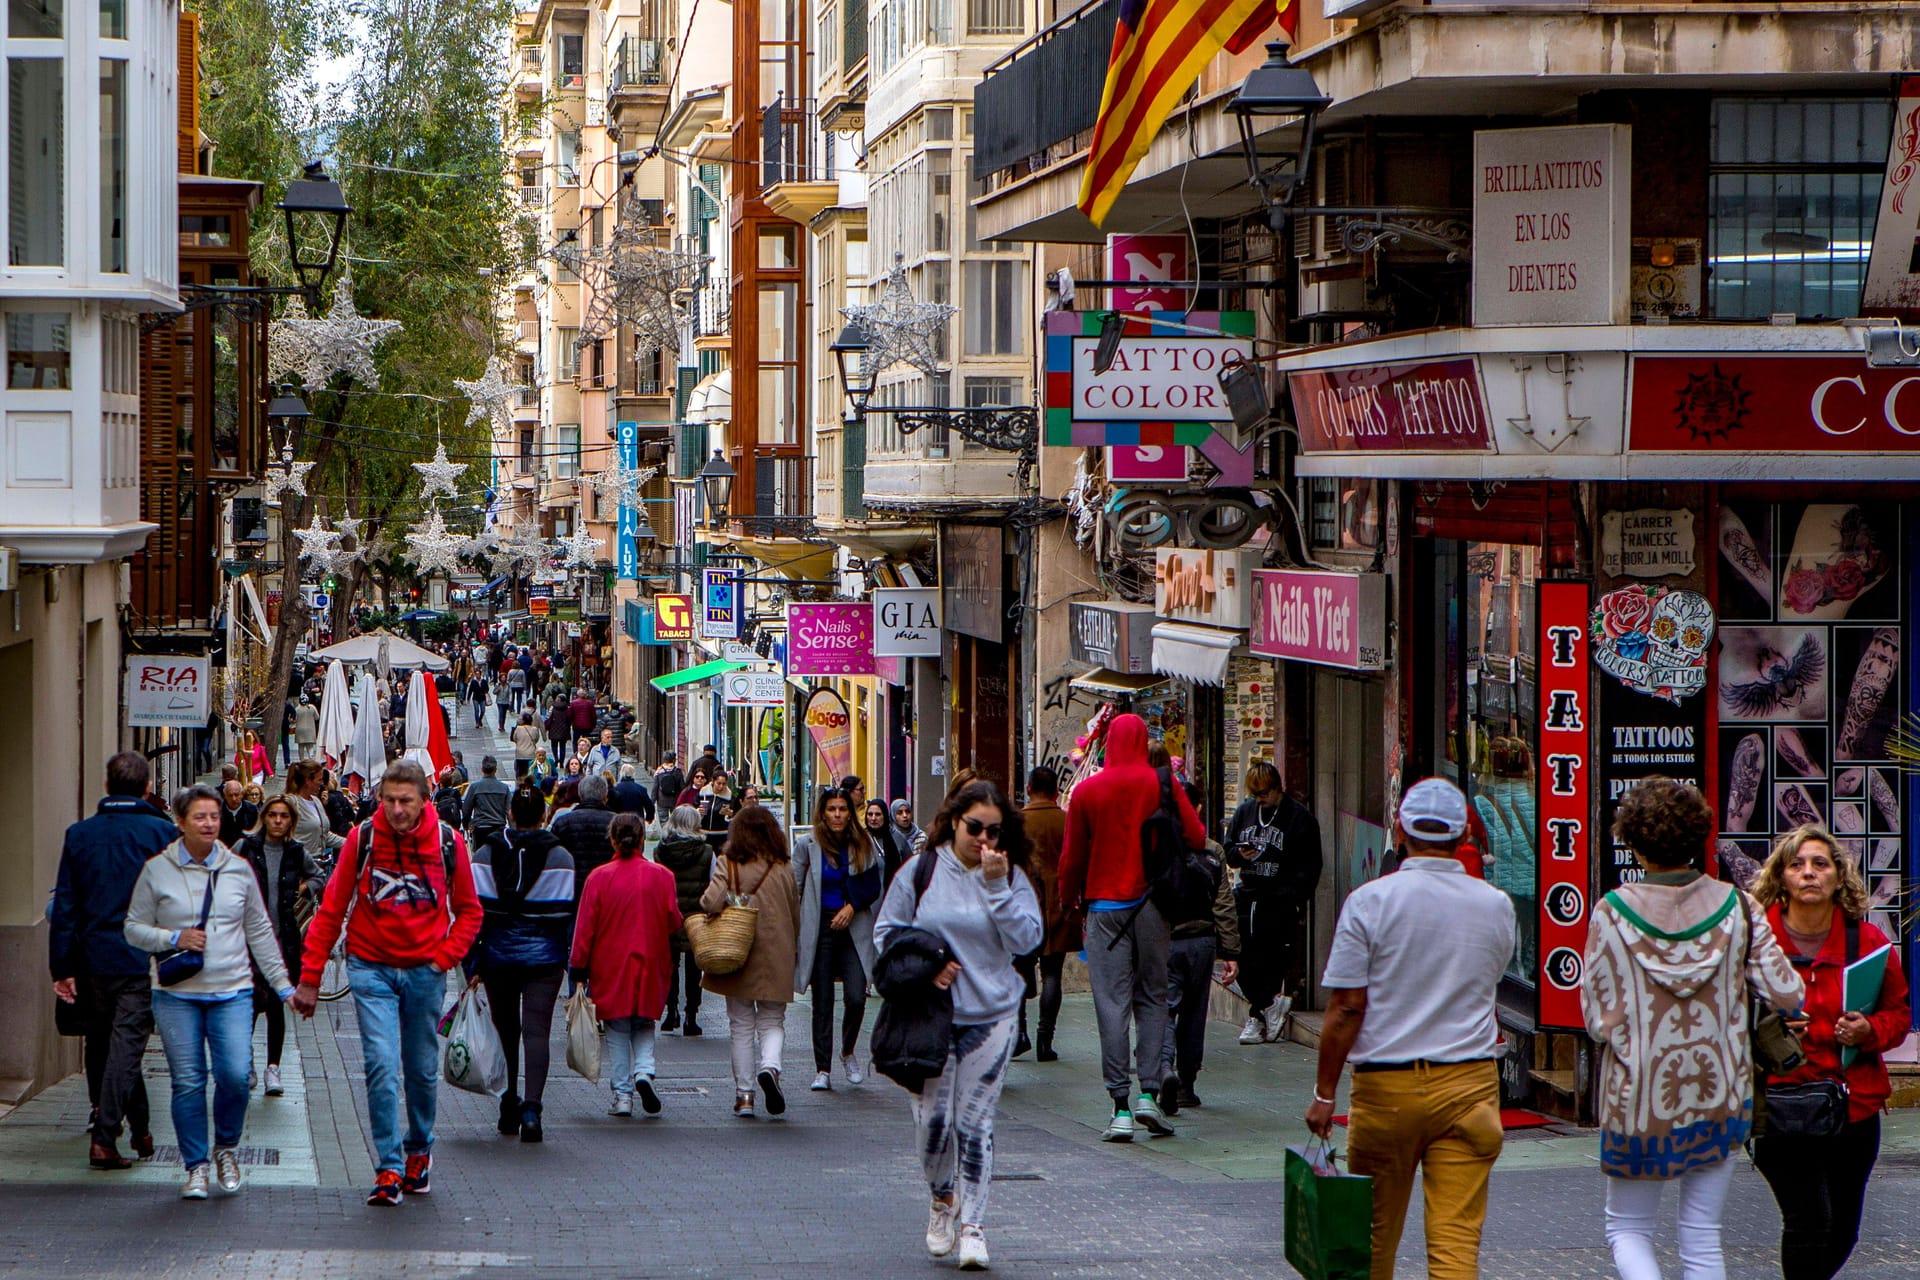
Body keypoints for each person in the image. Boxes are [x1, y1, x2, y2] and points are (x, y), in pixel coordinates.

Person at [1582, 777, 1804, 1280]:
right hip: (1720, 1090)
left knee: (1629, 1228)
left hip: (1639, 1097)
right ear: (1699, 836)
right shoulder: (1739, 908)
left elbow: (1597, 1020)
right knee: (1702, 1235)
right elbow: (1788, 992)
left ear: (1633, 842)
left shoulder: (1611, 914)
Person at [1305, 776, 1520, 1280]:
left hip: (1388, 1089)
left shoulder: (1369, 902)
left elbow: (1345, 1009)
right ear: (1466, 831)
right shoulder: (1496, 905)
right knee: (1455, 1247)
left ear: (1400, 830)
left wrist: (1324, 1092)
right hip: (1470, 1086)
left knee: (1372, 1239)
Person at [292, 761, 483, 1207]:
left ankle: (419, 1150)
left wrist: (443, 958)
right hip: (370, 965)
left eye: (406, 802)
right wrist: (310, 978)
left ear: (423, 801)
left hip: (424, 970)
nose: (396, 810)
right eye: (389, 801)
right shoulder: (363, 839)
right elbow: (332, 910)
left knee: (419, 1068)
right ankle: (389, 1166)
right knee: (380, 1064)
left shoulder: (447, 843)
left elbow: (470, 911)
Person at [873, 779, 1043, 1272]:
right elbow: (887, 932)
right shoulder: (922, 869)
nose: (984, 839)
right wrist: (930, 962)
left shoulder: (1008, 876)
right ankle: (942, 1197)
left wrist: (996, 887)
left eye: (994, 830)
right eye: (975, 828)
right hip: (930, 1016)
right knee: (933, 1125)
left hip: (992, 1015)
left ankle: (974, 1227)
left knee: (975, 1123)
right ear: (953, 822)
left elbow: (1027, 940)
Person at [1752, 825, 1908, 1280]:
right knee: (1808, 1221)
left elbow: (1898, 1016)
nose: (1809, 873)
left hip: (1851, 1108)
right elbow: (1721, 1016)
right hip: (1780, 1104)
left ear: (1839, 877)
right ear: (1781, 877)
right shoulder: (1755, 945)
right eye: (1797, 864)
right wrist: (1768, 1031)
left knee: (1842, 1229)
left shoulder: (1870, 944)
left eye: (1820, 864)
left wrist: (1869, 1029)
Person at [125, 785, 293, 1199]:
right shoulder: (157, 870)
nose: (209, 824)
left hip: (233, 990)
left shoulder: (237, 869)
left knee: (235, 1076)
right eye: (199, 817)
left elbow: (258, 930)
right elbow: (132, 927)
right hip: (176, 994)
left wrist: (283, 985)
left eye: (214, 817)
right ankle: (196, 1165)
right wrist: (174, 936)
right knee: (188, 1082)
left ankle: (227, 1149)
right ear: (180, 822)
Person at [1057, 712, 1205, 1141]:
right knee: (1153, 998)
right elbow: (1195, 837)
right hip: (1153, 907)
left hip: (1104, 910)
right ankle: (1150, 1094)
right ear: (1144, 741)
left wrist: (1070, 901)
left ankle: (1119, 1106)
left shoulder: (1087, 791)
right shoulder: (1163, 784)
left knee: (1111, 1003)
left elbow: (1072, 859)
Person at [49, 751, 177, 1170]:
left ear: (106, 786)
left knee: (107, 1044)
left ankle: (138, 1126)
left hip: (92, 959)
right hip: (141, 959)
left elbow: (66, 904)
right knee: (125, 1047)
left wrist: (62, 967)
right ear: (146, 788)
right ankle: (105, 1138)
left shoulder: (80, 835)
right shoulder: (161, 834)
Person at [471, 784, 576, 1142]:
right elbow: (564, 913)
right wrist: (570, 961)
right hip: (544, 958)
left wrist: (472, 963)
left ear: (510, 814)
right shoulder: (560, 856)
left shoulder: (485, 854)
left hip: (497, 955)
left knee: (505, 1033)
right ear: (544, 816)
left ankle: (507, 1103)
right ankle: (532, 1109)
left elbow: (473, 913)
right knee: (536, 1032)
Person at [572, 812, 682, 1118]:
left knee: (618, 1029)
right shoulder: (662, 876)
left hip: (610, 963)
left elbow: (584, 929)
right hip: (651, 958)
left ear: (612, 839)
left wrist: (578, 969)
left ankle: (622, 1095)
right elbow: (674, 920)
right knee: (645, 1022)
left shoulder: (598, 877)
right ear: (643, 839)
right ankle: (644, 1072)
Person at [699, 804, 801, 1119]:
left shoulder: (727, 863)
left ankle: (744, 1095)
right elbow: (795, 911)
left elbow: (711, 902)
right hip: (776, 950)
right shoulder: (783, 866)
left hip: (737, 951)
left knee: (741, 1025)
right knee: (773, 1020)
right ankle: (770, 1067)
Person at [1224, 760, 1323, 1044]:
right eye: (1255, 794)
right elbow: (1228, 849)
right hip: (1248, 892)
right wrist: (1240, 855)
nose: (1260, 799)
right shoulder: (1245, 812)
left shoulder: (1298, 818)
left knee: (1270, 956)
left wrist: (1294, 896)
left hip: (1279, 897)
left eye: (1264, 793)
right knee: (1238, 951)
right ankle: (1267, 1005)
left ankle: (1258, 1014)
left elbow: (1311, 863)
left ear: (1279, 788)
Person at [794, 792, 885, 1091]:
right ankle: (822, 1068)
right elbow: (795, 886)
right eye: (831, 809)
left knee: (857, 995)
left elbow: (873, 885)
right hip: (820, 925)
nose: (837, 815)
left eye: (842, 809)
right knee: (822, 1000)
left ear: (850, 812)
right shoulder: (808, 845)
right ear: (823, 812)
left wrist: (851, 906)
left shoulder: (863, 843)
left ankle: (848, 1051)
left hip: (853, 923)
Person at [1158, 780, 1240, 1109]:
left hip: (1165, 941)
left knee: (1163, 1010)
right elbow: (1223, 905)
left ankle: (1163, 1068)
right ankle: (1186, 1084)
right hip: (1202, 942)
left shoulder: (1157, 845)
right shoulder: (1212, 850)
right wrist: (1231, 951)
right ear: (1199, 809)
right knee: (1194, 1014)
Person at [235, 796, 323, 1098]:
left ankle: (273, 1067)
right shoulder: (247, 847)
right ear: (264, 817)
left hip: (283, 938)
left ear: (291, 821)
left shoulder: (295, 852)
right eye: (272, 815)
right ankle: (246, 1062)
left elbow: (318, 876)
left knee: (275, 1005)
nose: (277, 821)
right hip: (246, 941)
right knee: (247, 1004)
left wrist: (304, 887)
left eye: (283, 816)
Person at [1016, 766, 1071, 1062]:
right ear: (1056, 792)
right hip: (1058, 904)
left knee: (1018, 970)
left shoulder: (1018, 822)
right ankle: (1044, 1041)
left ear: (1028, 789)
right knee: (1052, 974)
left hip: (1024, 906)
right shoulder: (1065, 821)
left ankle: (1020, 1032)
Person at [654, 806, 712, 1035]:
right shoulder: (706, 851)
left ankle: (671, 1012)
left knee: (669, 966)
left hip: (669, 916)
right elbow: (713, 884)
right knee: (694, 968)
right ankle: (691, 1015)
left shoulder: (661, 851)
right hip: (696, 917)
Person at [553, 772, 618, 911]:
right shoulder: (616, 823)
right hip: (608, 890)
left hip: (573, 890)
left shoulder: (563, 823)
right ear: (605, 796)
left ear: (580, 796)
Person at [462, 756, 512, 847]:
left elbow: (466, 810)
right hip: (499, 829)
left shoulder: (475, 787)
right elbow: (510, 812)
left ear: (482, 769)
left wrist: (466, 824)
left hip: (480, 829)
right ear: (495, 770)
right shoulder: (504, 788)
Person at [864, 799, 909, 885]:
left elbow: (909, 866)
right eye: (870, 814)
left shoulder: (897, 837)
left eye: (878, 814)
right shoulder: (861, 838)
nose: (873, 818)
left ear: (885, 815)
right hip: (868, 896)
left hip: (894, 894)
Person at [218, 779, 258, 850]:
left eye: (236, 795)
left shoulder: (251, 810)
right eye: (230, 795)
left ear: (241, 794)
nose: (234, 799)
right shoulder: (217, 811)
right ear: (225, 796)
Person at [510, 712, 542, 779]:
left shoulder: (518, 728)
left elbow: (514, 738)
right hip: (531, 754)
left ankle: (520, 783)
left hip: (520, 754)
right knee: (530, 772)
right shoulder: (535, 729)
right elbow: (536, 739)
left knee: (520, 772)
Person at [653, 752, 684, 816]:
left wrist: (652, 801)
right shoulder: (677, 772)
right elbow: (682, 787)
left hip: (662, 801)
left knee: (664, 821)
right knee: (675, 822)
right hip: (675, 801)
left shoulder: (659, 772)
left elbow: (655, 788)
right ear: (673, 760)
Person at [546, 696, 574, 764]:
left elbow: (548, 717)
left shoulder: (553, 707)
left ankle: (556, 757)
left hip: (553, 728)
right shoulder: (567, 708)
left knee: (554, 745)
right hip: (564, 729)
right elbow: (569, 718)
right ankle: (561, 762)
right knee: (562, 746)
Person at [294, 699, 320, 763]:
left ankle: (301, 760)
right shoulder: (312, 707)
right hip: (310, 730)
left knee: (301, 746)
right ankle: (311, 759)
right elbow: (317, 717)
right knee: (310, 746)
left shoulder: (297, 709)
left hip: (300, 730)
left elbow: (294, 719)